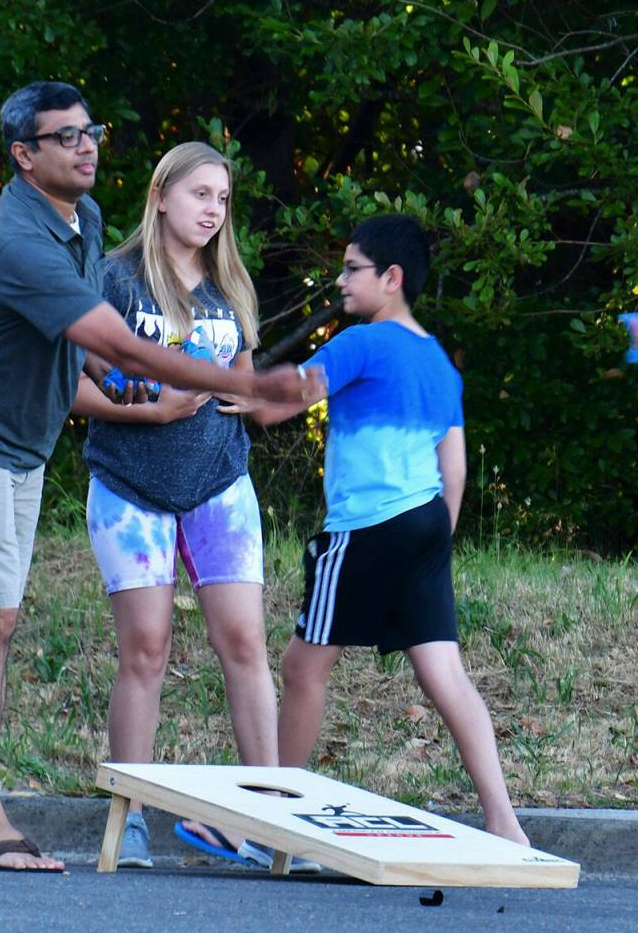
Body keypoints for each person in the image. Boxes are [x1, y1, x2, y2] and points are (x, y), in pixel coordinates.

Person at [0, 82, 321, 873]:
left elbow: (90, 345)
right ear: (25, 156)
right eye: (64, 137)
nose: (86, 145)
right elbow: (125, 346)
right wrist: (222, 385)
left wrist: (100, 364)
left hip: (17, 441)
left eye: (90, 131)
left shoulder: (81, 219)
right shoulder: (16, 242)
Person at [223, 214, 529, 846]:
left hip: (366, 525)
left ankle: (270, 817)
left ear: (391, 278)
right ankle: (505, 821)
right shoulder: (439, 362)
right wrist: (436, 539)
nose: (339, 281)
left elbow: (293, 396)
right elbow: (455, 462)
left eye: (351, 268)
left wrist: (231, 391)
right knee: (445, 674)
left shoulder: (361, 341)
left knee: (302, 668)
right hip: (426, 525)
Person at [74, 142, 316, 872]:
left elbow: (242, 384)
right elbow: (71, 390)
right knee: (145, 648)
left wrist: (254, 395)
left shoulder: (229, 286)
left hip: (219, 484)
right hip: (129, 486)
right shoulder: (113, 281)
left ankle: (269, 819)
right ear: (160, 197)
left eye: (222, 198)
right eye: (200, 194)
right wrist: (150, 412)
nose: (213, 210)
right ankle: (134, 816)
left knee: (244, 644)